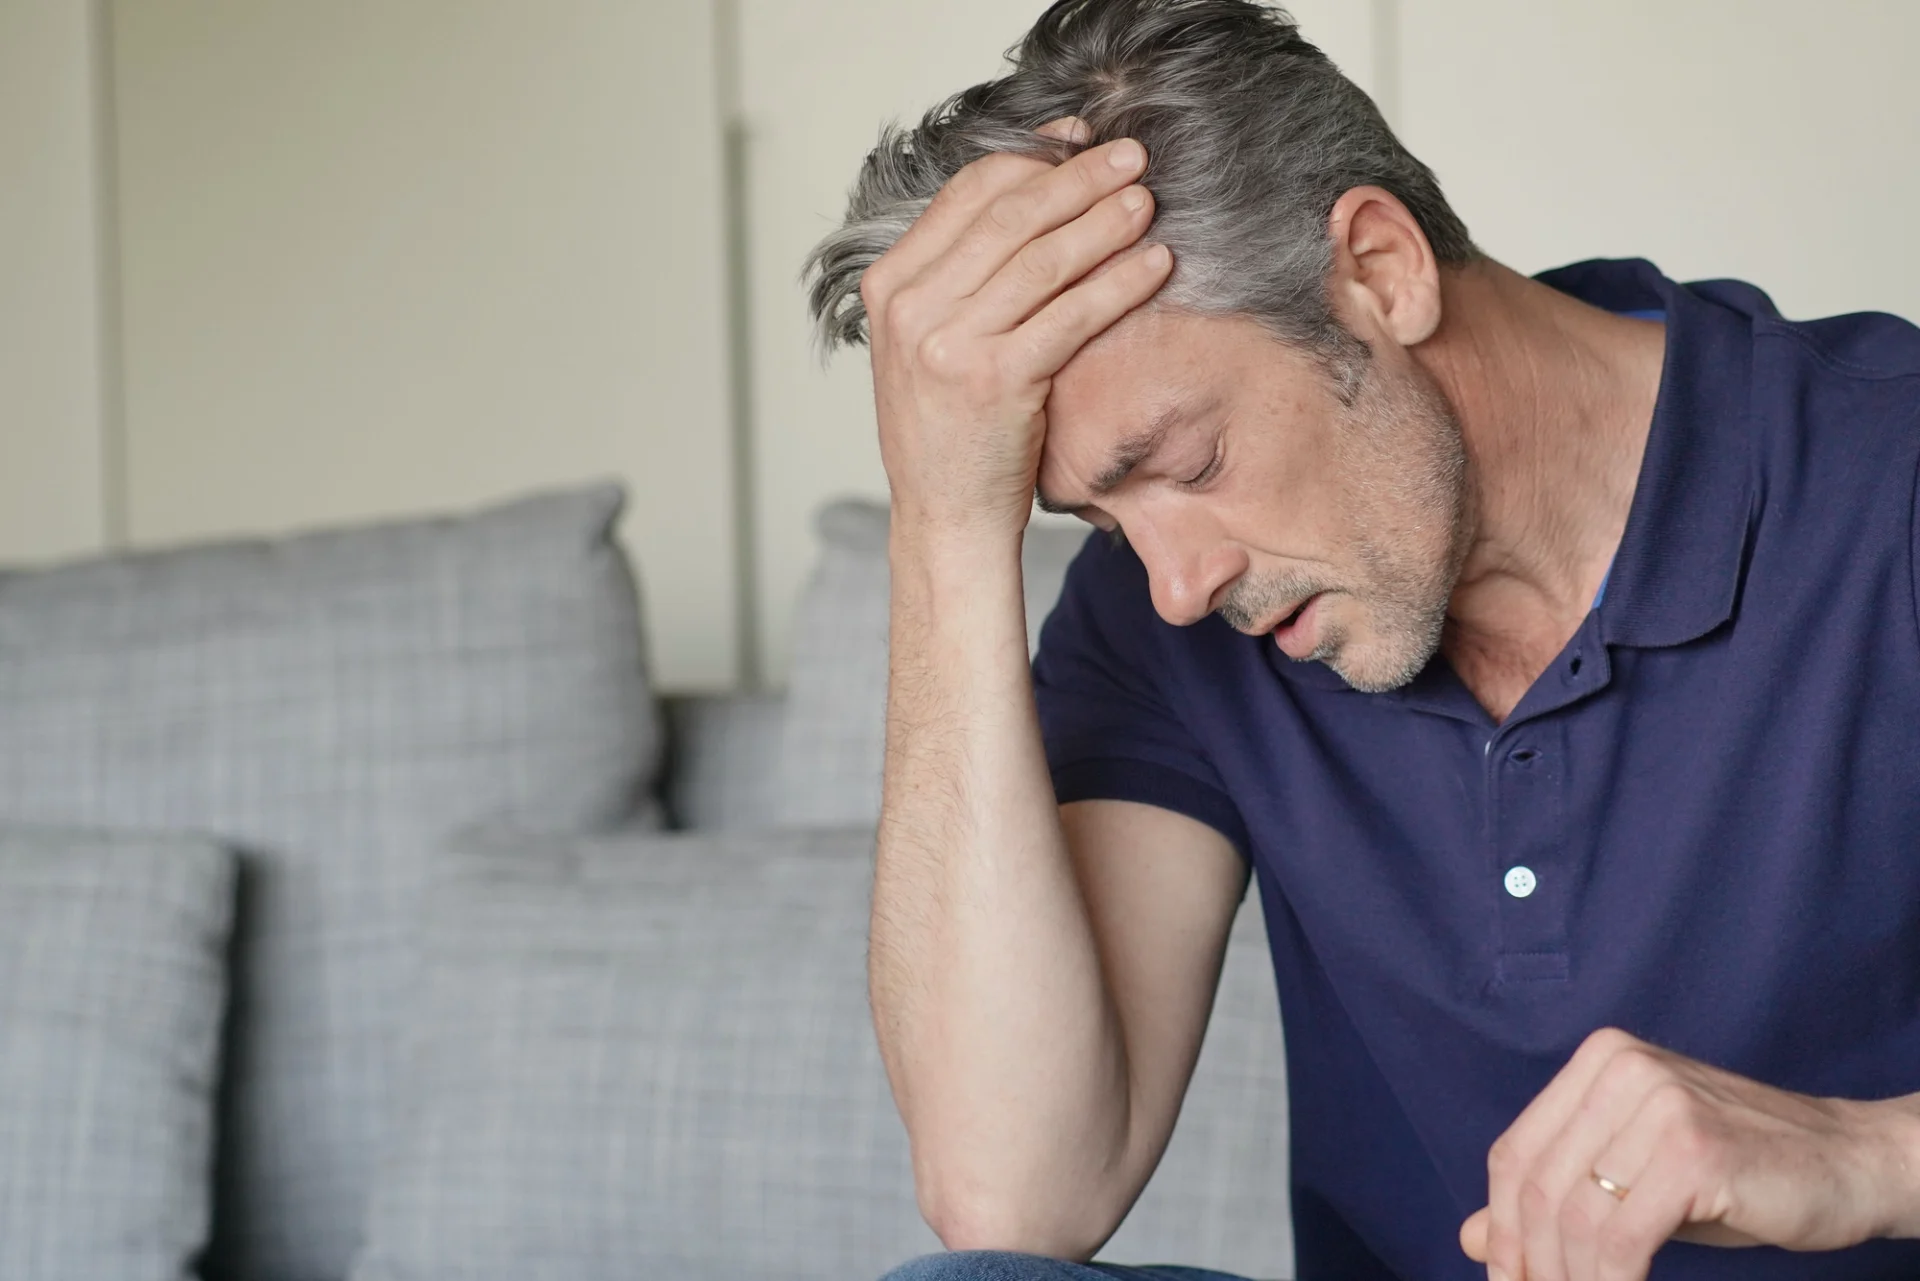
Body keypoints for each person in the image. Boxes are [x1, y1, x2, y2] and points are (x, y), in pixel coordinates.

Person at [801, 2, 1920, 1278]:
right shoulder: (1162, 611)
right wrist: (946, 523)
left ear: (1381, 272)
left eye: (1189, 462)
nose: (1177, 585)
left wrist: (1866, 1155)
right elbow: (1014, 1197)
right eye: (1100, 519)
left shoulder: (1887, 478)